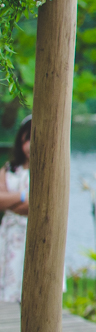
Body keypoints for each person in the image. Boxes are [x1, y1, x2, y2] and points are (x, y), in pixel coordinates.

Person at [0, 115, 30, 302]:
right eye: (25, 140)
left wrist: (10, 204)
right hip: (9, 234)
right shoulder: (10, 168)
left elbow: (36, 206)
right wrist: (22, 195)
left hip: (31, 232)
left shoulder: (47, 171)